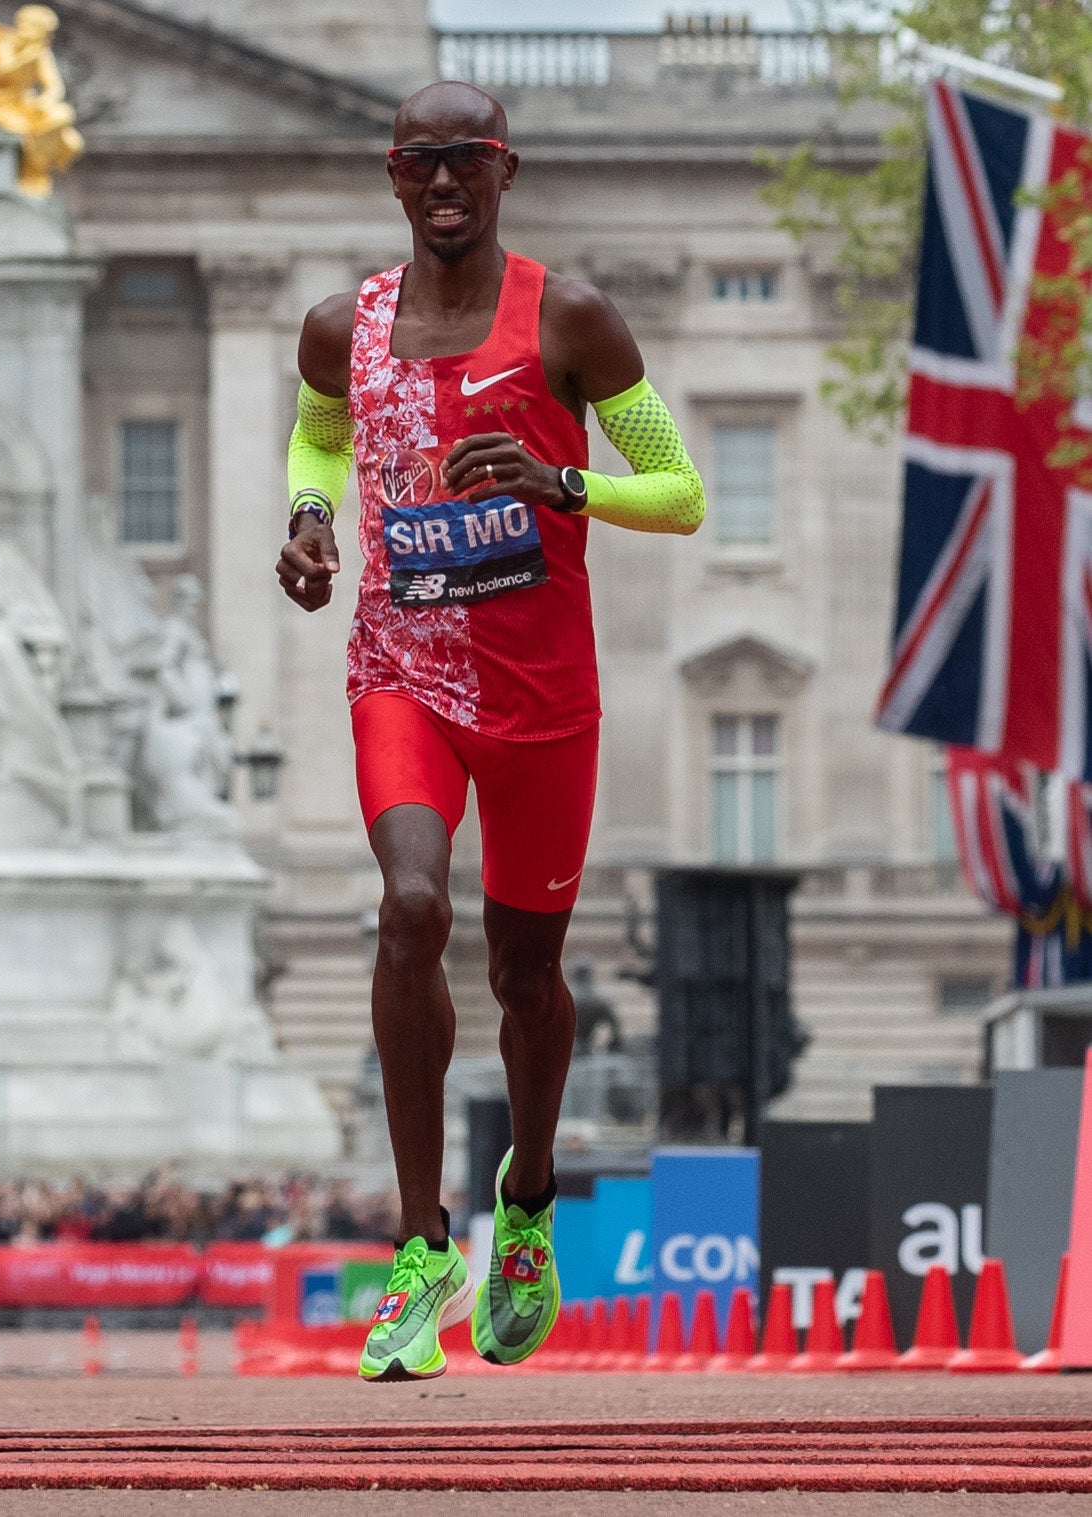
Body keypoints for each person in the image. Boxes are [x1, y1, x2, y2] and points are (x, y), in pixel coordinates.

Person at [276, 81, 704, 1382]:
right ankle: (422, 1247)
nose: (444, 183)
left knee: (528, 975)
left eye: (467, 161)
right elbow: (319, 437)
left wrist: (561, 478)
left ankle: (526, 1199)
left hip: (539, 700)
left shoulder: (570, 318)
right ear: (393, 177)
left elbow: (679, 492)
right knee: (411, 908)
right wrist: (307, 518)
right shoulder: (339, 324)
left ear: (504, 169)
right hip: (400, 672)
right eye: (421, 165)